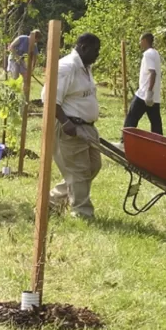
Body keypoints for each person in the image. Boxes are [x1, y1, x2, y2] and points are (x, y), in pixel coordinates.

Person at [45, 32, 102, 219]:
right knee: (79, 171)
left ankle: (51, 201)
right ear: (83, 48)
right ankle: (82, 213)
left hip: (88, 126)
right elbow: (49, 98)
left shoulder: (85, 67)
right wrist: (65, 122)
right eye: (95, 50)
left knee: (93, 166)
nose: (98, 54)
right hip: (70, 127)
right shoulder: (67, 67)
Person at [123, 32, 163, 136]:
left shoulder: (148, 54)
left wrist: (149, 92)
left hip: (144, 94)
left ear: (144, 41)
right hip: (154, 96)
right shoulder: (155, 53)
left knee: (131, 118)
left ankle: (124, 141)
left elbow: (153, 73)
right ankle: (159, 143)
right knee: (156, 124)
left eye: (140, 41)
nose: (139, 43)